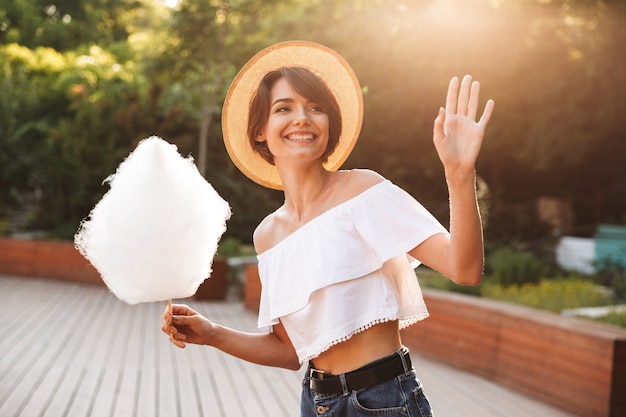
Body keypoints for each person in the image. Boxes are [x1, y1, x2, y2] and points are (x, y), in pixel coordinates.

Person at [162, 40, 494, 416]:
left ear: (328, 124)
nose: (302, 117)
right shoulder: (268, 235)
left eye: (315, 108)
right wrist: (212, 334)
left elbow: (463, 268)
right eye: (284, 108)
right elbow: (289, 351)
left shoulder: (364, 191)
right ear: (259, 130)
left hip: (384, 401)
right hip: (317, 402)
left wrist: (459, 173)